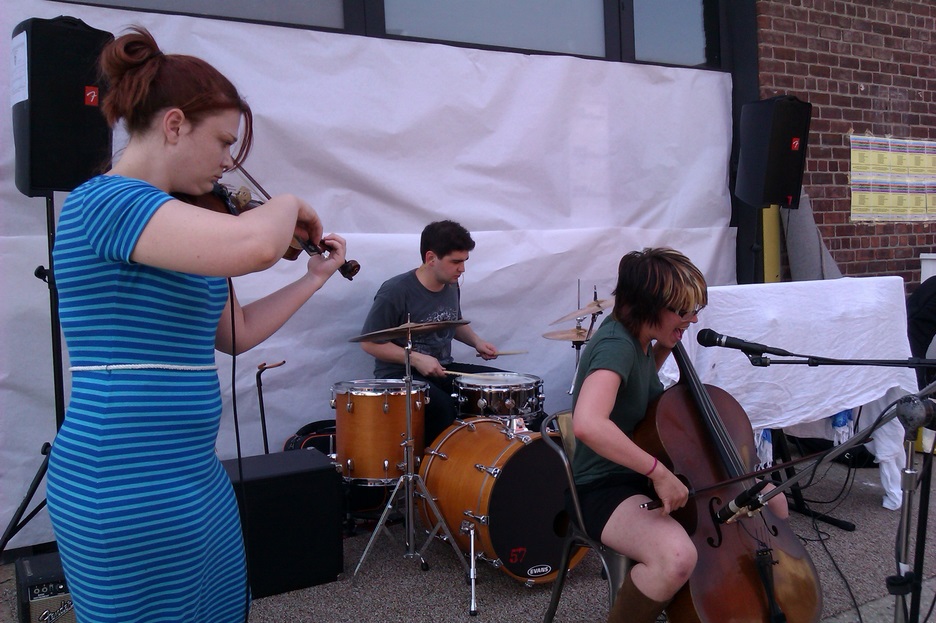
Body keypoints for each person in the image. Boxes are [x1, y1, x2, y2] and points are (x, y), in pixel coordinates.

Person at [44, 27, 347, 623]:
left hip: (192, 475)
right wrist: (290, 203)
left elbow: (233, 332)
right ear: (175, 124)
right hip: (123, 477)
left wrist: (313, 277)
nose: (229, 161)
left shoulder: (180, 224)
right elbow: (258, 246)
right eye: (224, 141)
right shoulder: (102, 202)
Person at [569, 248, 788, 623]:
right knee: (676, 558)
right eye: (682, 311)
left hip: (641, 474)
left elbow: (637, 401)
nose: (693, 318)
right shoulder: (614, 346)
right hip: (603, 485)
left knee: (774, 502)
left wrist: (660, 353)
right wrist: (658, 471)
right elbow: (589, 423)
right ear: (648, 305)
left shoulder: (638, 340)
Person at [359, 220, 502, 444]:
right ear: (430, 258)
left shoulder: (452, 284)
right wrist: (415, 359)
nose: (462, 269)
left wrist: (477, 342)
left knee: (496, 386)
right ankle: (434, 470)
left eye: (464, 261)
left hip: (441, 369)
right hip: (401, 375)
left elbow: (453, 322)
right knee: (443, 407)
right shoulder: (395, 291)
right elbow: (369, 343)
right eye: (455, 262)